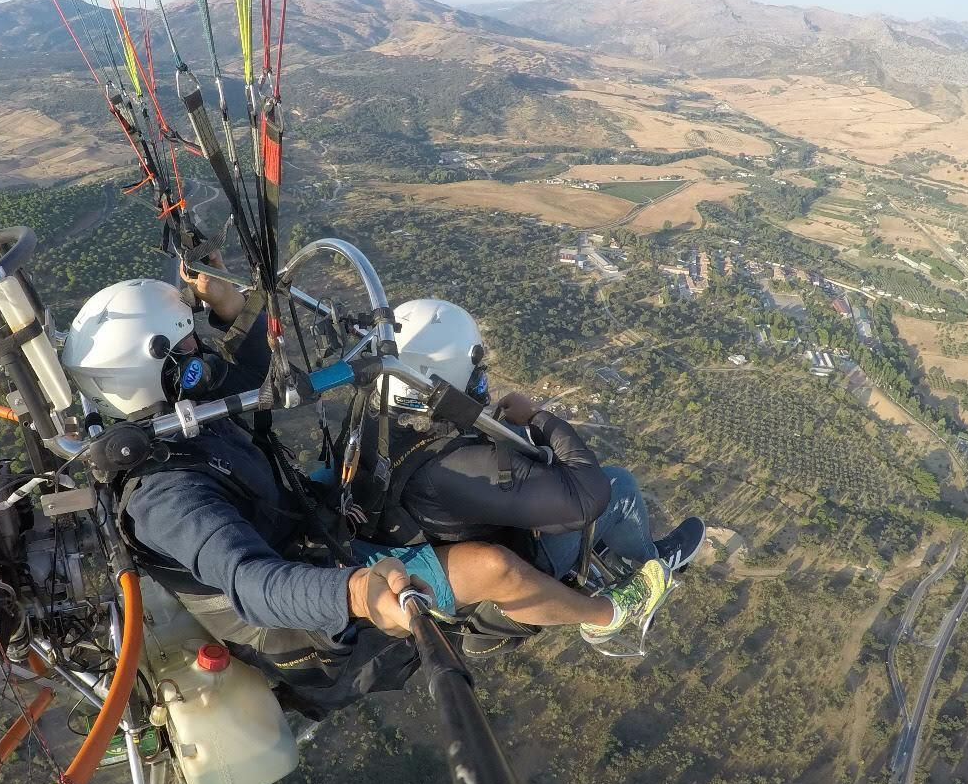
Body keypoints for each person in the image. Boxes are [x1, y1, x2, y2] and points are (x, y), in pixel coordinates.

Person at [61, 262, 422, 715]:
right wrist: (353, 593)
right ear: (171, 369)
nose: (202, 350)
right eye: (189, 342)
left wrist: (232, 310)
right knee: (489, 568)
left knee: (380, 460)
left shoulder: (174, 414)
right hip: (298, 627)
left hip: (298, 524)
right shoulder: (169, 498)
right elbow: (252, 584)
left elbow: (255, 382)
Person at [340, 298, 705, 651]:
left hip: (417, 536)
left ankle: (613, 550)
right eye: (475, 374)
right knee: (619, 486)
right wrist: (538, 417)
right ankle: (651, 560)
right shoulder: (462, 465)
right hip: (524, 559)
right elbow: (586, 498)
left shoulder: (372, 422)